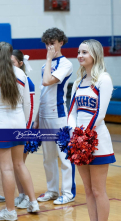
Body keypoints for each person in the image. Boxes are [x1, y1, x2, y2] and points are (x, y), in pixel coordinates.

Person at [68, 39, 116, 221]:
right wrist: (73, 134)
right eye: (78, 52)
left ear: (94, 55)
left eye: (84, 52)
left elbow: (100, 113)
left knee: (98, 190)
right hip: (79, 140)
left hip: (97, 140)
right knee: (86, 190)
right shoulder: (78, 82)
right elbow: (72, 112)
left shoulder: (103, 79)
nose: (80, 55)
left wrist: (85, 135)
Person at [33, 28, 76, 204]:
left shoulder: (66, 64)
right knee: (48, 157)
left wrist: (49, 59)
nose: (49, 46)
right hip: (44, 115)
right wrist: (37, 117)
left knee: (64, 156)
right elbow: (43, 91)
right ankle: (52, 190)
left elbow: (47, 81)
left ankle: (67, 193)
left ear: (61, 42)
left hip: (58, 115)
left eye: (53, 43)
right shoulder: (46, 65)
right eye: (47, 43)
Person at [0, 42, 39, 221]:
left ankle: (10, 211)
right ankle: (33, 202)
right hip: (19, 123)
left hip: (2, 125)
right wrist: (26, 125)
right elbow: (27, 104)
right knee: (19, 164)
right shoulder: (20, 73)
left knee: (6, 168)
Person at [11, 50, 35, 209]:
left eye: (12, 63)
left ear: (20, 63)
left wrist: (27, 131)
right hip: (15, 127)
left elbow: (30, 107)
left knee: (20, 165)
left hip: (25, 128)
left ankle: (28, 197)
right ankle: (21, 195)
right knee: (14, 166)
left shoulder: (27, 81)